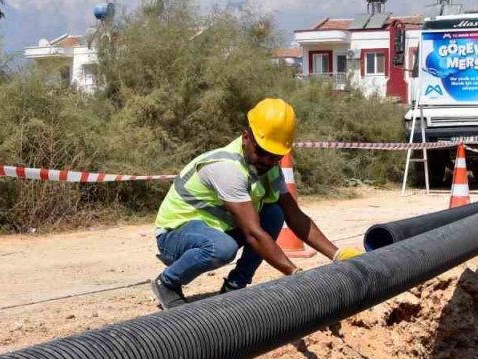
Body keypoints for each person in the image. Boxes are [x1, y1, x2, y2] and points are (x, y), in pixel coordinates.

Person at [150, 98, 360, 309]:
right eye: (262, 152)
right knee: (223, 248)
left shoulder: (269, 169)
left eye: (275, 156)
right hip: (176, 235)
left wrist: (337, 254)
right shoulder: (227, 168)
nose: (267, 161)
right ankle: (167, 283)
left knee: (274, 213)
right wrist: (295, 274)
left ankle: (235, 285)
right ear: (246, 137)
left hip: (217, 229)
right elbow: (253, 233)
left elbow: (295, 216)